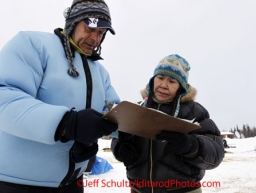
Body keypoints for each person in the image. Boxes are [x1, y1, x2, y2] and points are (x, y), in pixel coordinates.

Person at [0, 0, 120, 192]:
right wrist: (67, 124)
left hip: (73, 184)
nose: (95, 38)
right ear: (73, 21)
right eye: (90, 28)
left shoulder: (100, 72)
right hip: (19, 183)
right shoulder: (34, 45)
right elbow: (5, 96)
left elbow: (114, 113)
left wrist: (140, 129)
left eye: (101, 33)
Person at [111, 54, 224, 193]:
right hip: (139, 189)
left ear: (181, 87)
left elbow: (216, 155)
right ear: (153, 80)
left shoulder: (194, 112)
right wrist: (121, 148)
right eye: (160, 78)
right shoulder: (137, 109)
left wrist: (190, 146)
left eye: (172, 81)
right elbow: (117, 137)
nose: (164, 85)